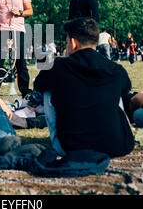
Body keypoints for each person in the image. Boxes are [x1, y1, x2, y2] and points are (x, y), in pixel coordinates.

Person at [33, 17, 135, 158]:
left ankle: (60, 133)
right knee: (115, 89)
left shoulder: (56, 67)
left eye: (67, 41)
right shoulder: (116, 69)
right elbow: (126, 89)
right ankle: (112, 131)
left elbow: (38, 85)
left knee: (47, 88)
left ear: (73, 42)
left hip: (71, 148)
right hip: (118, 145)